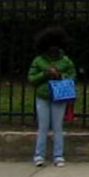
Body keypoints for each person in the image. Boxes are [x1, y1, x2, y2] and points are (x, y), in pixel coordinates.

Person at [27, 26, 76, 167]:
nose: (53, 49)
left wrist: (60, 75)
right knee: (43, 126)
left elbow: (73, 77)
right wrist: (45, 74)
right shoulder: (38, 60)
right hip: (43, 96)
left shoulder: (66, 61)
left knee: (57, 127)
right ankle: (39, 155)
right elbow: (31, 78)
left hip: (59, 96)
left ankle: (58, 156)